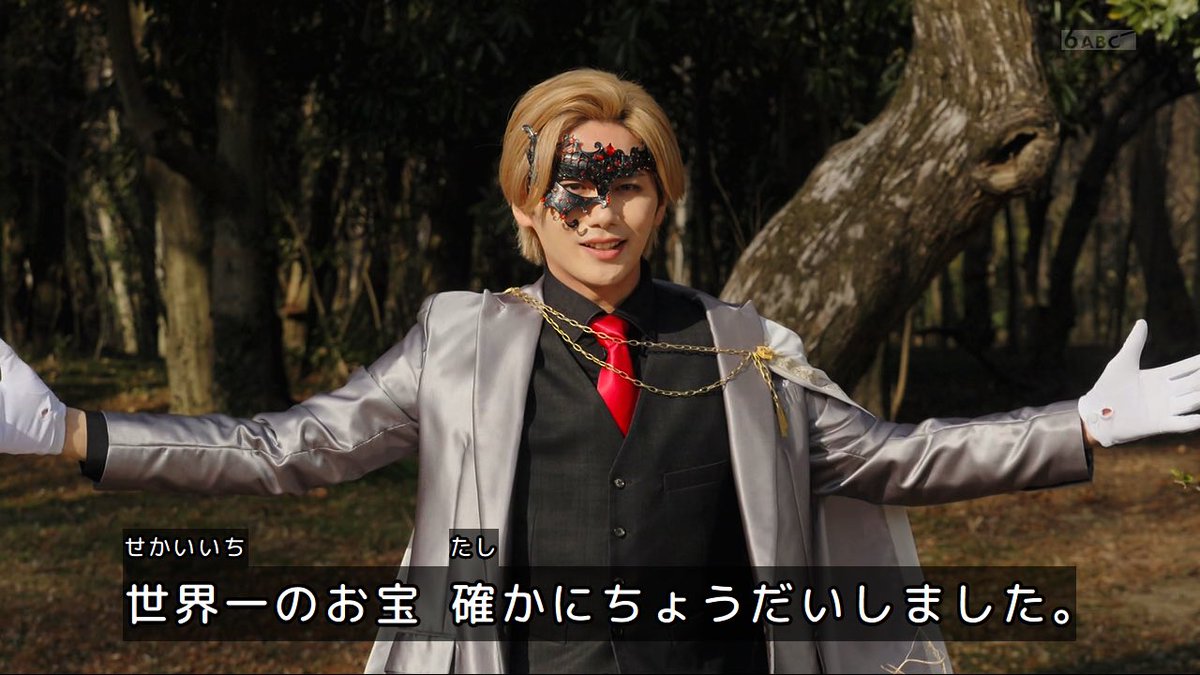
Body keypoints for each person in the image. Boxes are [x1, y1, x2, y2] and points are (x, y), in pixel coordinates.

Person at [2, 68, 1199, 674]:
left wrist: (1083, 425)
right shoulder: (461, 344)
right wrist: (76, 434)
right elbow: (285, 451)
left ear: (659, 199)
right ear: (527, 212)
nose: (600, 212)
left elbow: (896, 461)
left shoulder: (745, 347)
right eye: (569, 189)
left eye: (625, 184)